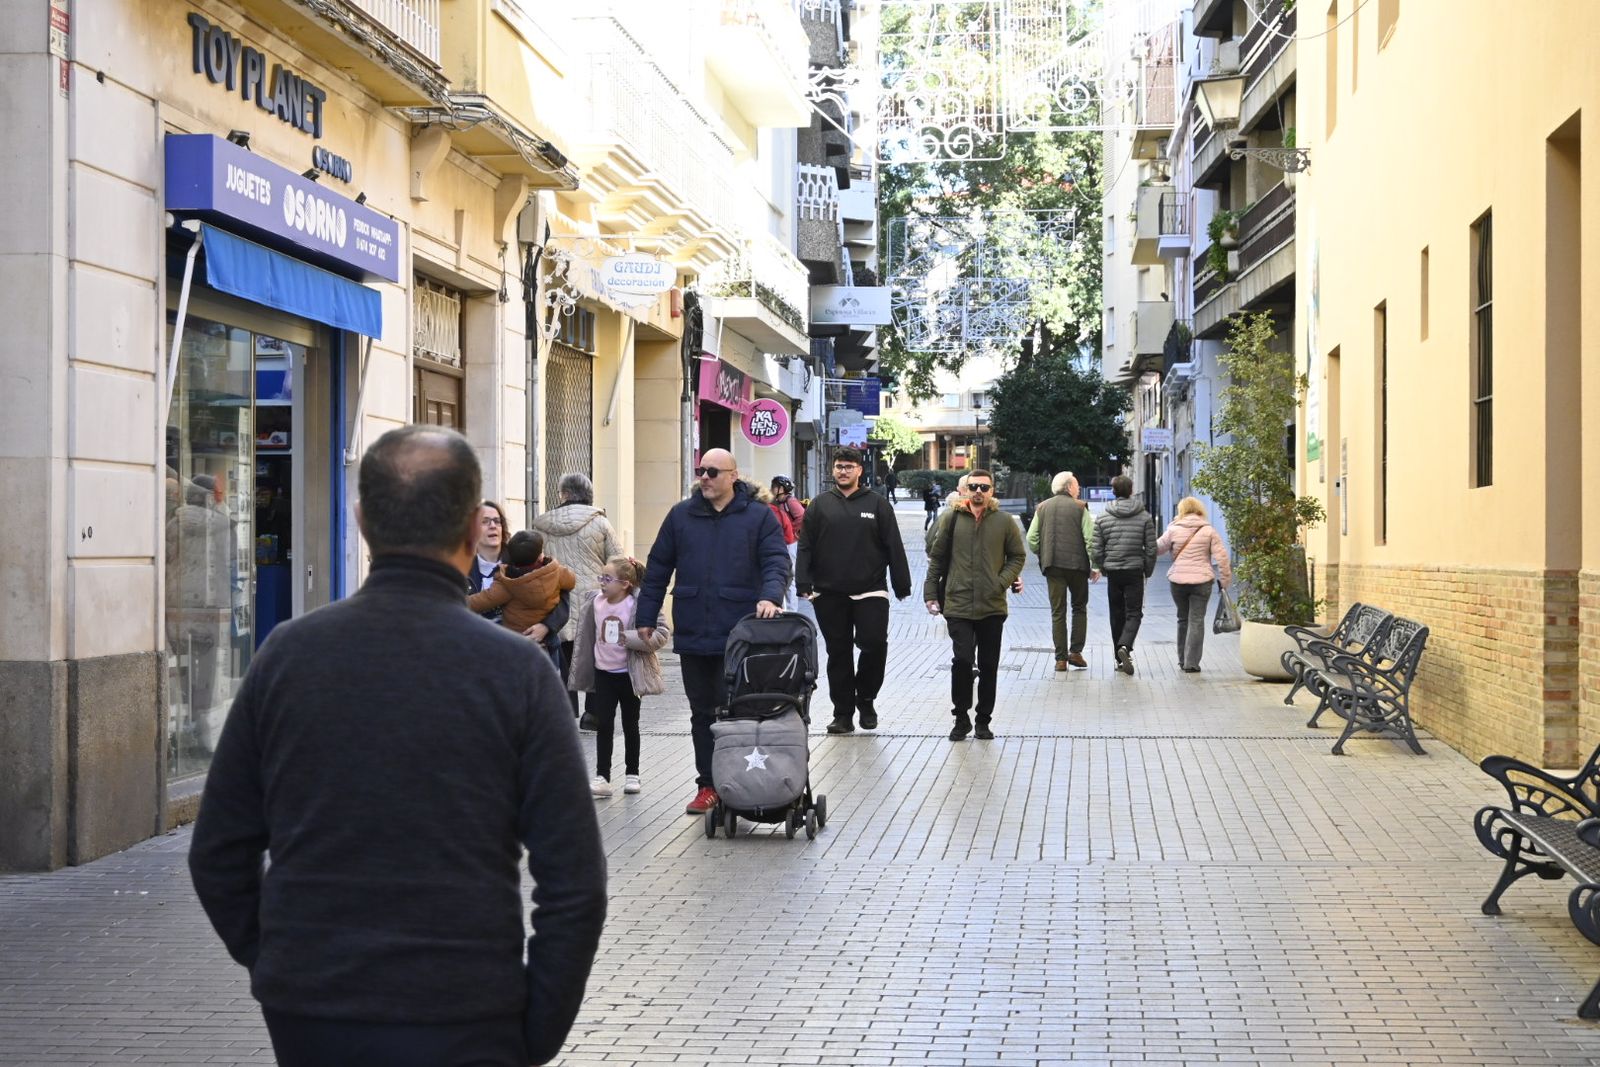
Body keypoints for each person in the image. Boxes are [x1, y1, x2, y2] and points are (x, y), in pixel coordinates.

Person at [188, 425, 607, 1067]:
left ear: (361, 521)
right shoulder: (516, 674)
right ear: (474, 531)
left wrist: (279, 961)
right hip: (469, 1008)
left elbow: (219, 849)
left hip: (312, 1011)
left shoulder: (287, 657)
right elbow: (574, 878)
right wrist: (536, 1025)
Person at [635, 448, 789, 815]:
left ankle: (743, 784)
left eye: (712, 472)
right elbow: (657, 567)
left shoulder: (757, 517)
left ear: (733, 476)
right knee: (702, 712)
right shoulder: (681, 516)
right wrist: (646, 614)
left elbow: (776, 561)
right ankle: (708, 785)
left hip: (741, 635)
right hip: (693, 631)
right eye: (701, 471)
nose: (703, 477)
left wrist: (770, 596)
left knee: (738, 711)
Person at [796, 447, 912, 734]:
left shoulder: (876, 504)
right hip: (829, 591)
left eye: (849, 466)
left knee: (873, 644)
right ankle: (843, 713)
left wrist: (902, 583)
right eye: (839, 466)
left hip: (870, 589)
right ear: (833, 470)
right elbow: (805, 546)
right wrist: (803, 582)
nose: (843, 471)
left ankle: (867, 697)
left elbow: (893, 545)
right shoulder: (820, 505)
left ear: (860, 470)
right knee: (839, 653)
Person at [923, 468, 1025, 741]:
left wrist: (1001, 581)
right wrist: (930, 593)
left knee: (989, 665)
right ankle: (960, 717)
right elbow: (938, 558)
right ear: (965, 490)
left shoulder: (1004, 521)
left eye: (984, 487)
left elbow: (1017, 556)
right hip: (958, 603)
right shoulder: (951, 519)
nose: (978, 491)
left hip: (992, 606)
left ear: (992, 492)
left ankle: (983, 720)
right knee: (963, 660)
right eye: (974, 486)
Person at [567, 556, 670, 798]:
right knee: (603, 723)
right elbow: (586, 637)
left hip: (629, 674)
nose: (602, 583)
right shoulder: (594, 602)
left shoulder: (639, 604)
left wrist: (633, 638)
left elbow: (663, 633)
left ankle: (632, 773)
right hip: (603, 673)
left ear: (625, 584)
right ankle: (603, 777)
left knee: (630, 724)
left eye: (607, 579)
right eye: (600, 578)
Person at [533, 473, 623, 716]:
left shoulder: (541, 525)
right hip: (593, 600)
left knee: (563, 656)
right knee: (596, 657)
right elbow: (617, 561)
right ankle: (593, 714)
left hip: (556, 600)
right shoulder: (600, 523)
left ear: (562, 494)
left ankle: (567, 711)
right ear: (589, 494)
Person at [466, 529, 576, 662]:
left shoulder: (508, 583)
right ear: (540, 556)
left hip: (517, 639)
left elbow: (483, 600)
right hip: (548, 640)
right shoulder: (556, 572)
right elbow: (571, 582)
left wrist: (454, 601)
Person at [1026, 471, 1098, 672]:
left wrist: (1043, 553)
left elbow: (1032, 539)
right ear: (1068, 487)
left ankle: (1060, 659)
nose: (1078, 489)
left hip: (1053, 566)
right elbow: (1090, 538)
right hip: (1077, 567)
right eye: (1076, 485)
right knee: (1079, 607)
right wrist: (1095, 564)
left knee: (1058, 612)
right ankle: (1075, 652)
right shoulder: (1079, 507)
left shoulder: (1042, 507)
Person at [1090, 475, 1158, 677]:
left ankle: (1119, 659)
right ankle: (1125, 646)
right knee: (1134, 613)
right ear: (1131, 491)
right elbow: (1151, 548)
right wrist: (1147, 569)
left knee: (1116, 613)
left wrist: (1103, 567)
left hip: (1114, 573)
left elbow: (1096, 549)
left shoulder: (1103, 517)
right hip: (1134, 570)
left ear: (1113, 492)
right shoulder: (1144, 516)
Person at [1157, 496, 1233, 673]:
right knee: (1196, 620)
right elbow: (1222, 557)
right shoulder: (1208, 530)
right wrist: (1225, 580)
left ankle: (1182, 659)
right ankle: (1192, 663)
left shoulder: (1173, 529)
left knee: (1182, 619)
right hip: (1202, 581)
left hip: (1178, 581)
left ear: (1181, 510)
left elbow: (1157, 549)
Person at [465, 499, 508, 620]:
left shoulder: (520, 559)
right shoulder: (462, 567)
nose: (493, 526)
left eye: (497, 521)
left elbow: (556, 590)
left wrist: (546, 625)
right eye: (485, 522)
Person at [770, 476, 805, 608]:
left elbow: (802, 516)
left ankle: (791, 609)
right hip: (785, 541)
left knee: (791, 577)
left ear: (781, 489)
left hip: (791, 543)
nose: (772, 490)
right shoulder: (779, 502)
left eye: (774, 487)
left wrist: (793, 530)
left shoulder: (790, 501)